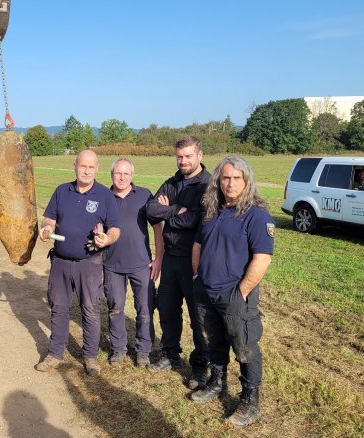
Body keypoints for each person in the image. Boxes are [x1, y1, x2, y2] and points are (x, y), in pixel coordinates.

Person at [189, 155, 274, 428]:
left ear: (246, 181)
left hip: (236, 294)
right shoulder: (212, 210)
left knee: (245, 346)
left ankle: (251, 400)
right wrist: (196, 276)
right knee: (213, 340)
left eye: (237, 178)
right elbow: (198, 246)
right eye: (225, 178)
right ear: (218, 181)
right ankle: (217, 382)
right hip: (205, 290)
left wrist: (242, 292)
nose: (230, 183)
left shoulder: (257, 215)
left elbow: (262, 258)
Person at [34, 150, 121, 376]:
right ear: (75, 165)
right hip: (61, 262)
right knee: (58, 309)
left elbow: (114, 228)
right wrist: (47, 228)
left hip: (89, 264)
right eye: (83, 166)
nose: (87, 171)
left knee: (90, 310)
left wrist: (107, 239)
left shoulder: (104, 195)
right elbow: (49, 218)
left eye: (91, 167)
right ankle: (55, 353)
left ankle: (90, 357)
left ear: (97, 169)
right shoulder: (62, 191)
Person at [145, 136, 212, 388]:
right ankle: (170, 354)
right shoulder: (172, 182)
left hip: (196, 262)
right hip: (171, 259)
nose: (183, 161)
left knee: (199, 318)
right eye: (179, 156)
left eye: (188, 156)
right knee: (168, 309)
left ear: (199, 156)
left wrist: (170, 212)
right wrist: (177, 210)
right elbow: (151, 210)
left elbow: (197, 219)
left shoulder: (208, 185)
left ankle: (199, 367)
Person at [102, 158, 163, 368]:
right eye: (118, 173)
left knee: (145, 308)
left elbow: (157, 229)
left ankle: (143, 350)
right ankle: (118, 349)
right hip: (112, 264)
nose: (122, 177)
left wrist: (158, 259)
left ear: (132, 175)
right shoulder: (103, 197)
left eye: (126, 174)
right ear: (111, 175)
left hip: (141, 264)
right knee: (115, 307)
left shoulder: (145, 195)